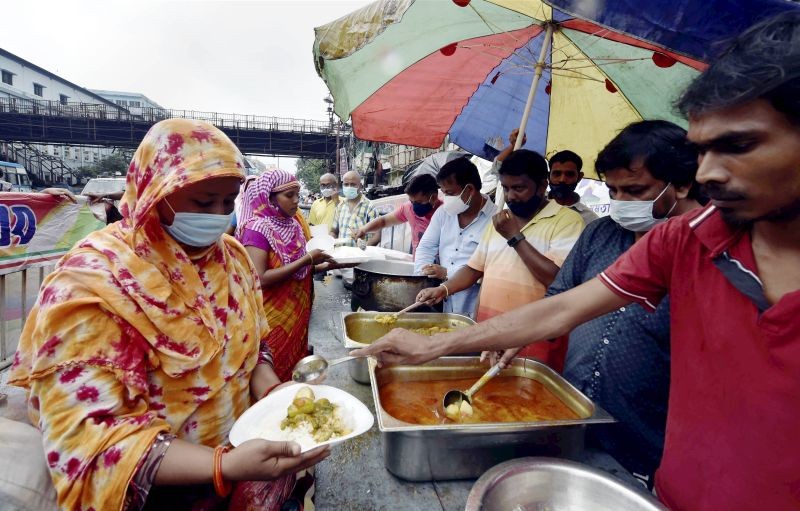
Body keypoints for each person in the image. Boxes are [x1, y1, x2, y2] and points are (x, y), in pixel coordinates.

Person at [353, 12, 800, 510]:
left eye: (738, 145)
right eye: (702, 152)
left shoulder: (602, 226)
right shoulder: (686, 238)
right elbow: (561, 306)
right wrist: (434, 346)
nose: (710, 173)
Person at [8, 119, 329, 511]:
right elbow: (95, 436)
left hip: (243, 465)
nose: (217, 216)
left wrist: (272, 392)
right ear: (156, 193)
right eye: (203, 201)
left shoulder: (232, 260)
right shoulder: (94, 281)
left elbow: (253, 348)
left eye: (228, 203)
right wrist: (220, 465)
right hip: (159, 494)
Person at [511, 120, 703, 487]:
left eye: (634, 190)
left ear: (681, 184)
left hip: (648, 443)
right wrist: (517, 336)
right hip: (572, 416)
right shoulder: (600, 233)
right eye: (613, 190)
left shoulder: (705, 253)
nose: (620, 203)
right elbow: (559, 299)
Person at [418, 150, 584, 369]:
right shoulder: (500, 221)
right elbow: (474, 269)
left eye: (519, 188)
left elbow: (557, 280)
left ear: (542, 186)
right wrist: (444, 289)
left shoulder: (568, 222)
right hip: (489, 336)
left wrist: (515, 237)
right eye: (506, 188)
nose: (510, 196)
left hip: (534, 342)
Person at [237, 169, 340, 382]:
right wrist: (307, 260)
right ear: (269, 197)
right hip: (273, 316)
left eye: (297, 195)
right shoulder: (256, 229)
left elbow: (298, 272)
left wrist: (325, 265)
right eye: (288, 195)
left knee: (294, 365)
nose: (295, 201)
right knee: (272, 367)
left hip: (298, 313)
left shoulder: (293, 225)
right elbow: (261, 277)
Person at [413, 158, 497, 318]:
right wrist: (422, 275)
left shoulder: (496, 220)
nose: (445, 198)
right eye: (443, 192)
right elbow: (426, 246)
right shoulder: (443, 213)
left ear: (470, 189)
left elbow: (489, 268)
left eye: (450, 193)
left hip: (476, 305)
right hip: (442, 303)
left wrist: (447, 273)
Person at [353, 173, 441, 257]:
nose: (414, 206)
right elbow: (384, 221)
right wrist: (364, 229)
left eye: (418, 202)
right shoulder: (408, 208)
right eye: (412, 201)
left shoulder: (445, 213)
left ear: (433, 198)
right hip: (418, 265)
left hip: (440, 267)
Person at [548, 150, 599, 225]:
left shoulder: (591, 220)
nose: (562, 180)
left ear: (579, 177)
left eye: (569, 174)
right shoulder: (534, 208)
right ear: (548, 176)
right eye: (557, 174)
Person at [330, 170, 380, 247]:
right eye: (346, 184)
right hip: (341, 254)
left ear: (360, 186)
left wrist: (364, 248)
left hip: (360, 256)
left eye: (353, 184)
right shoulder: (340, 206)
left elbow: (377, 235)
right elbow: (333, 231)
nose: (349, 187)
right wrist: (330, 242)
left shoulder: (370, 207)